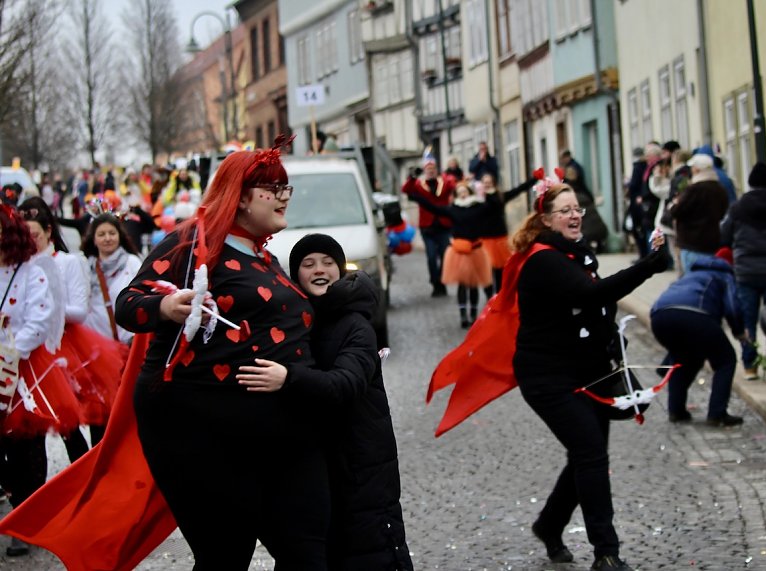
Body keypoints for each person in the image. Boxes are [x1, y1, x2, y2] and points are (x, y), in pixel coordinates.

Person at [113, 136, 329, 568]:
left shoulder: (263, 257)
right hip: (204, 432)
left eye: (287, 188)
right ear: (244, 197)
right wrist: (167, 307)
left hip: (277, 429)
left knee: (307, 549)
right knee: (225, 553)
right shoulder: (194, 242)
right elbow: (128, 305)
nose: (285, 197)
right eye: (275, 188)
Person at [511, 183, 670, 569]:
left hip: (588, 373)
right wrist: (648, 263)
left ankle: (549, 525)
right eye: (564, 210)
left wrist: (613, 351)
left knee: (586, 455)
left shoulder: (577, 253)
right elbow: (590, 296)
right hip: (547, 378)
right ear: (546, 220)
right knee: (591, 453)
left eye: (577, 208)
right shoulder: (543, 260)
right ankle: (606, 553)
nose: (575, 215)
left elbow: (599, 310)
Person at [253, 233, 413, 570]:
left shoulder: (357, 326)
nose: (319, 270)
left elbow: (347, 383)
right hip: (314, 466)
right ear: (295, 275)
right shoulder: (292, 323)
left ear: (340, 271)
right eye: (308, 264)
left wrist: (288, 378)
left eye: (327, 263)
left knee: (370, 554)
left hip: (360, 465)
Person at [0, 205, 82, 557]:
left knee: (25, 445)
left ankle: (26, 520)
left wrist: (10, 351)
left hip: (22, 366)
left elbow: (41, 315)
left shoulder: (34, 269)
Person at [18, 197, 125, 455]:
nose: (31, 241)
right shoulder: (19, 267)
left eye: (35, 234)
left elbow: (79, 311)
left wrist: (47, 311)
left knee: (69, 425)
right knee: (32, 425)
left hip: (63, 349)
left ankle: (86, 476)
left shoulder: (67, 262)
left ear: (48, 232)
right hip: (28, 349)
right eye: (25, 235)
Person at [650, 248, 747, 426]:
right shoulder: (724, 275)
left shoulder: (690, 273)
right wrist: (739, 332)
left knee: (685, 359)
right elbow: (733, 307)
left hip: (659, 316)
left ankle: (676, 411)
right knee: (726, 360)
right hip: (696, 315)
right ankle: (717, 413)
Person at [720, 162, 766, 380]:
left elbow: (725, 237)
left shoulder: (738, 208)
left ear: (750, 182)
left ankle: (750, 365)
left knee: (747, 318)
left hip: (745, 271)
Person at [406, 180, 493, 327]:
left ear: (469, 192)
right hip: (460, 251)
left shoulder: (479, 207)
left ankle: (473, 313)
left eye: (464, 191)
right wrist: (416, 197)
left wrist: (489, 191)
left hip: (475, 249)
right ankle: (463, 315)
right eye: (460, 193)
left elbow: (493, 206)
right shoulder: (453, 209)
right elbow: (433, 208)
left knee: (473, 284)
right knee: (462, 284)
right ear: (456, 195)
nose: (463, 195)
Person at [81, 213, 142, 344]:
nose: (107, 238)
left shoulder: (132, 263)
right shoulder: (85, 267)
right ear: (94, 239)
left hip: (129, 341)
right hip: (97, 344)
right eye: (101, 234)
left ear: (119, 236)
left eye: (112, 233)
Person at [401, 155, 455, 297]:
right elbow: (405, 189)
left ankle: (442, 282)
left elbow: (453, 183)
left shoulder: (444, 182)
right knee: (431, 256)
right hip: (427, 227)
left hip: (443, 225)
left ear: (436, 170)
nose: (430, 171)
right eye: (428, 169)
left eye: (433, 169)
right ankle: (435, 282)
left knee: (445, 256)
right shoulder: (419, 184)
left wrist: (448, 173)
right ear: (425, 170)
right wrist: (412, 177)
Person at [478, 173, 534, 294]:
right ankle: (489, 295)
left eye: (489, 182)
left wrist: (534, 179)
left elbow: (519, 189)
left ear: (493, 183)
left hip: (499, 237)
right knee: (487, 269)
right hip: (485, 239)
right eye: (485, 182)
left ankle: (499, 294)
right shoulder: (478, 199)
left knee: (500, 269)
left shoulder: (499, 197)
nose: (487, 185)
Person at [671, 179, 729, 274]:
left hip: (691, 243)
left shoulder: (694, 190)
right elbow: (723, 213)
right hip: (712, 242)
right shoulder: (720, 189)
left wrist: (674, 204)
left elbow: (676, 211)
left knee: (693, 281)